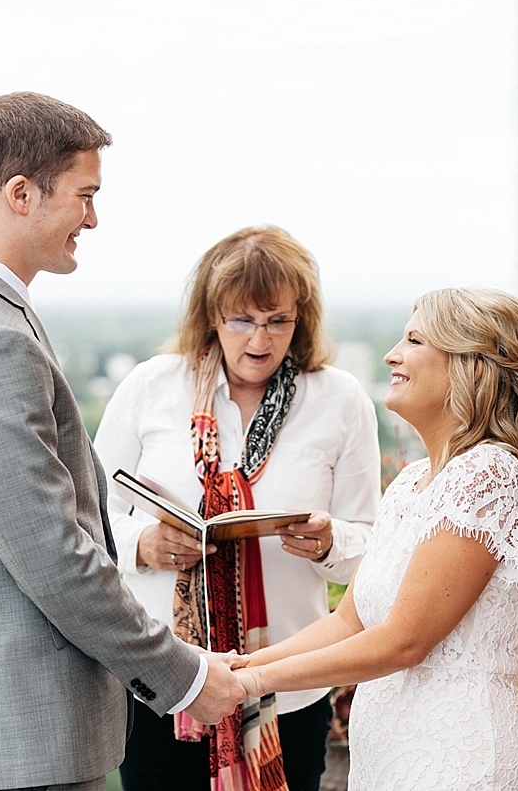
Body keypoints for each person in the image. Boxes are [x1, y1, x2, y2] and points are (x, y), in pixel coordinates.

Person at [0, 92, 246, 791]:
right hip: (20, 739)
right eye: (84, 194)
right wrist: (184, 675)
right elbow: (56, 557)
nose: (93, 217)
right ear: (20, 193)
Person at [94, 225, 381, 791]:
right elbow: (88, 521)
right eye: (242, 320)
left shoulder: (340, 400)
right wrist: (144, 545)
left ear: (302, 320)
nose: (260, 339)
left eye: (278, 320)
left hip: (287, 692)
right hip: (164, 686)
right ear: (211, 316)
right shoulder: (150, 388)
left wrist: (330, 543)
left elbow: (370, 547)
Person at [233, 288, 518, 790]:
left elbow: (404, 641)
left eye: (413, 339)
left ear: (469, 367)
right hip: (390, 760)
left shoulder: (488, 474)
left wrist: (252, 684)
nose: (391, 354)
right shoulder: (410, 482)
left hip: (459, 762)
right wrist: (241, 666)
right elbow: (349, 621)